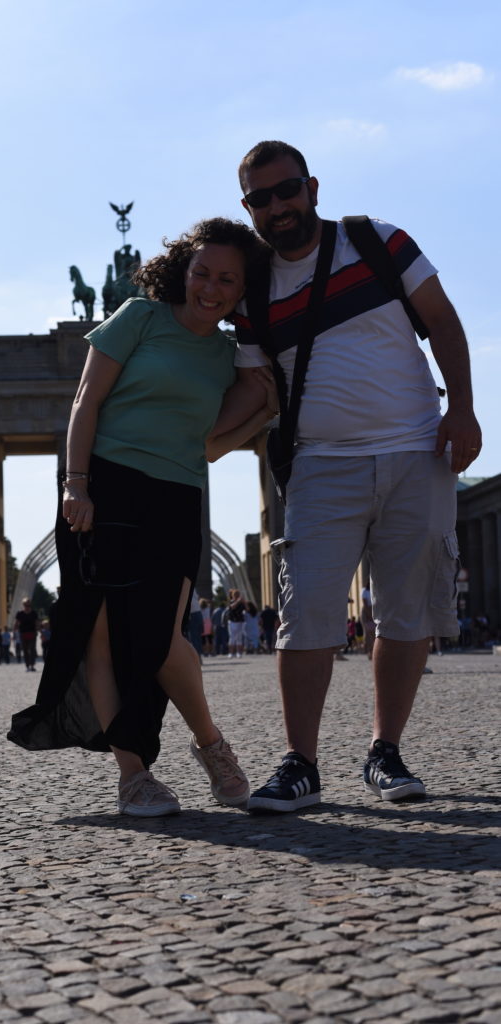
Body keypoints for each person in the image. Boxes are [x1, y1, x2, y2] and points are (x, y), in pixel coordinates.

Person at [235, 139, 481, 812]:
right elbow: (256, 392)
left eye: (286, 191)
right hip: (319, 463)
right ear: (247, 209)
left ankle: (385, 750)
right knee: (305, 610)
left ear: (311, 187)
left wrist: (461, 408)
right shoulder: (252, 290)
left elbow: (443, 322)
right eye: (261, 198)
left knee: (404, 612)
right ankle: (299, 763)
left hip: (416, 451)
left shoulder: (378, 242)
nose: (277, 206)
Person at [8, 217, 277, 817]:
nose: (210, 287)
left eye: (226, 279)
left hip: (176, 496)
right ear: (183, 270)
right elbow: (87, 401)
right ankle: (134, 775)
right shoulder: (138, 316)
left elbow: (202, 446)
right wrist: (75, 485)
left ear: (242, 289)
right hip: (103, 486)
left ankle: (212, 746)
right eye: (201, 271)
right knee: (101, 631)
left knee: (162, 635)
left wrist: (263, 411)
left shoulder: (229, 357)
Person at [14, 598, 38, 671]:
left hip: (32, 633)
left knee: (32, 649)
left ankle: (32, 665)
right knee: (25, 650)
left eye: (28, 605)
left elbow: (36, 623)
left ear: (30, 605)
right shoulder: (20, 613)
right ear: (23, 605)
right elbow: (17, 623)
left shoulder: (34, 613)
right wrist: (14, 633)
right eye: (25, 605)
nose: (27, 606)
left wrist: (37, 630)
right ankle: (27, 665)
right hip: (23, 634)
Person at [227, 588, 246, 658]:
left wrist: (244, 602)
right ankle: (231, 653)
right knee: (232, 638)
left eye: (238, 595)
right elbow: (232, 607)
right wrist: (238, 601)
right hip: (232, 622)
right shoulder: (231, 602)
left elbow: (247, 609)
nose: (237, 596)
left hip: (240, 622)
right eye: (235, 595)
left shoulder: (241, 603)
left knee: (239, 638)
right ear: (233, 595)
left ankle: (239, 653)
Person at [361, 582, 376, 661]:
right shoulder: (364, 591)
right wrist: (370, 615)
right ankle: (369, 652)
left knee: (374, 634)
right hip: (367, 613)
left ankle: (373, 652)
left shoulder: (376, 589)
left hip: (373, 611)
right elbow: (365, 604)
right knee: (368, 634)